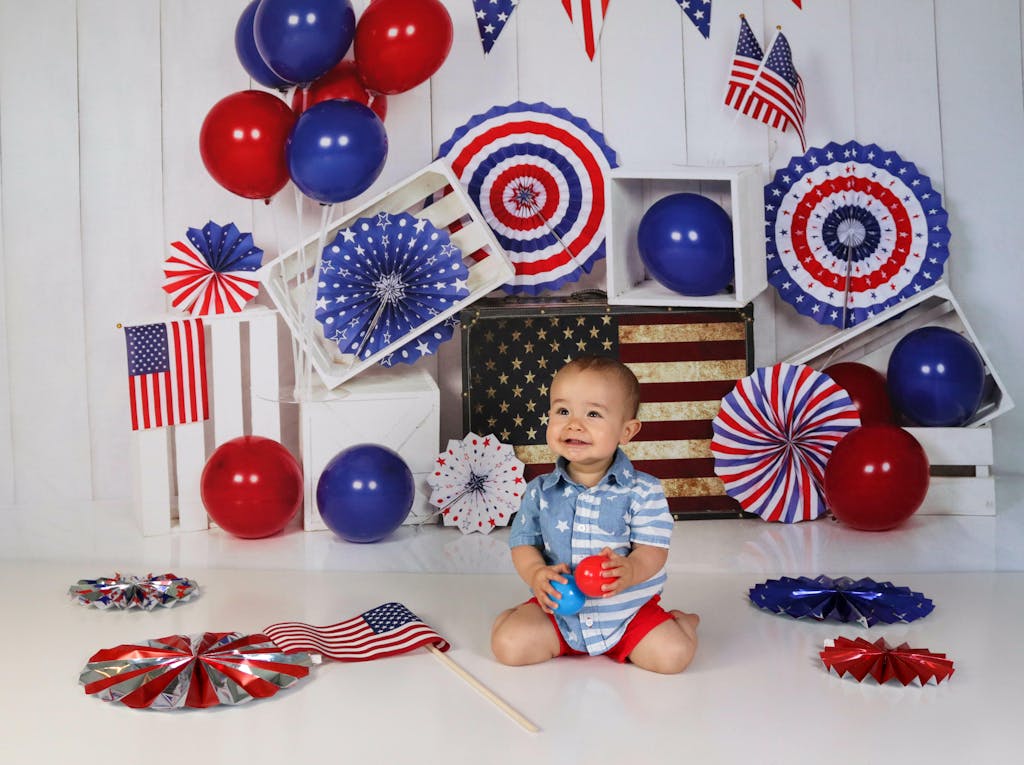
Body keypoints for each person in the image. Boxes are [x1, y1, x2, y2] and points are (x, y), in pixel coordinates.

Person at [491, 355, 699, 674]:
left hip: (627, 614)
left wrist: (629, 569)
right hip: (559, 615)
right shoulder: (539, 490)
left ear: (626, 431)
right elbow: (523, 544)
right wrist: (535, 574)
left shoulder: (643, 491)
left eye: (593, 413)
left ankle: (682, 623)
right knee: (508, 646)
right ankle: (518, 615)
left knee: (673, 656)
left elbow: (653, 551)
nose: (574, 424)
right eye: (563, 411)